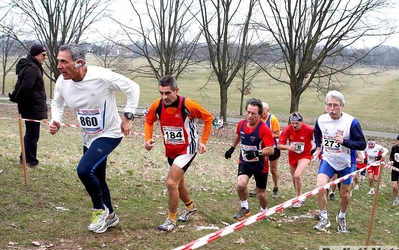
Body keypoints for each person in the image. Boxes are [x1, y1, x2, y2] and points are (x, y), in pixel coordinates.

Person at [49, 43, 140, 234]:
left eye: (64, 62)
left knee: (84, 170)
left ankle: (99, 209)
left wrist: (128, 116)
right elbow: (56, 103)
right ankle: (111, 216)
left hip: (109, 134)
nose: (59, 66)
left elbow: (133, 88)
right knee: (98, 177)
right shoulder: (62, 81)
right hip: (88, 136)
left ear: (79, 62)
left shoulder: (101, 76)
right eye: (58, 61)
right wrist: (56, 120)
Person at [144, 75, 213, 232]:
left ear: (176, 90)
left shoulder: (188, 104)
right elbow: (149, 121)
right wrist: (148, 139)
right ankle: (190, 207)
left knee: (171, 183)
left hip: (187, 148)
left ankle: (171, 220)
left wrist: (203, 141)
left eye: (167, 93)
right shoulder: (158, 105)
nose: (164, 97)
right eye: (161, 93)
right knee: (179, 184)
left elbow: (208, 118)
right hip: (171, 149)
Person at [312, 90, 366, 233]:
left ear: (342, 106)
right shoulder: (321, 119)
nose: (332, 109)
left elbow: (362, 144)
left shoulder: (351, 122)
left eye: (335, 105)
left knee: (345, 194)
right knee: (320, 186)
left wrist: (345, 142)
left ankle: (341, 216)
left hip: (346, 162)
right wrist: (318, 146)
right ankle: (324, 217)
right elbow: (317, 131)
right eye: (329, 105)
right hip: (329, 159)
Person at [224, 98, 274, 220]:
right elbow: (239, 135)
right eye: (248, 112)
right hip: (245, 161)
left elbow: (271, 150)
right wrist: (232, 148)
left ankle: (263, 212)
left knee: (261, 193)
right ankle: (245, 207)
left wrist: (257, 153)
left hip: (260, 165)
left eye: (254, 113)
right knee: (241, 185)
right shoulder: (241, 124)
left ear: (260, 115)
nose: (250, 116)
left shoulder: (264, 129)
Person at [15, 43, 48, 169]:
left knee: (30, 133)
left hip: (31, 106)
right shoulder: (32, 69)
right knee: (33, 135)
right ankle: (31, 162)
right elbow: (25, 87)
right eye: (43, 55)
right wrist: (19, 100)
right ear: (36, 55)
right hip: (32, 107)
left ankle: (23, 158)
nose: (45, 57)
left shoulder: (31, 66)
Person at [277, 112, 314, 209]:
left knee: (297, 174)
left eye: (297, 123)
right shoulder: (287, 129)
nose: (294, 125)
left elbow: (320, 136)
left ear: (302, 122)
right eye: (293, 123)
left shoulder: (309, 129)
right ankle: (298, 195)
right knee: (294, 177)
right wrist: (288, 147)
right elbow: (279, 145)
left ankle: (299, 197)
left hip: (305, 154)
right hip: (293, 155)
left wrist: (317, 148)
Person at [249, 102, 281, 198]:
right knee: (259, 168)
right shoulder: (257, 119)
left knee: (273, 170)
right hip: (262, 148)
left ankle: (276, 188)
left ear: (268, 110)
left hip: (273, 148)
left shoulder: (273, 119)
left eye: (264, 111)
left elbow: (278, 134)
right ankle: (258, 187)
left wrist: (265, 135)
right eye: (261, 111)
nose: (262, 113)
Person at [389, 135, 399, 206]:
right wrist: (391, 161)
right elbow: (391, 156)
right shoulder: (394, 147)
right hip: (395, 169)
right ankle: (395, 199)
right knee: (394, 186)